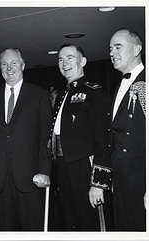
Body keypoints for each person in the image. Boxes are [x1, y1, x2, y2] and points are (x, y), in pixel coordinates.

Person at [0, 48, 52, 231]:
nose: (9, 68)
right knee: (5, 231)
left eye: (14, 63)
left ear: (23, 66)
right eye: (4, 64)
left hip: (29, 177)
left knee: (32, 231)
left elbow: (45, 137)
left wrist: (45, 170)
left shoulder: (39, 95)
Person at [50, 44, 113, 231]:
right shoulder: (62, 96)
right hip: (62, 166)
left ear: (83, 61)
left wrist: (98, 183)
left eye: (70, 57)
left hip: (85, 166)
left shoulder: (94, 92)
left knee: (91, 222)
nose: (64, 63)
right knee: (71, 222)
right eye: (60, 59)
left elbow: (104, 141)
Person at [109, 28, 146, 231]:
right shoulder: (118, 87)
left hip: (141, 178)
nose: (112, 52)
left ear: (136, 49)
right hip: (121, 177)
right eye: (110, 49)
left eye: (118, 47)